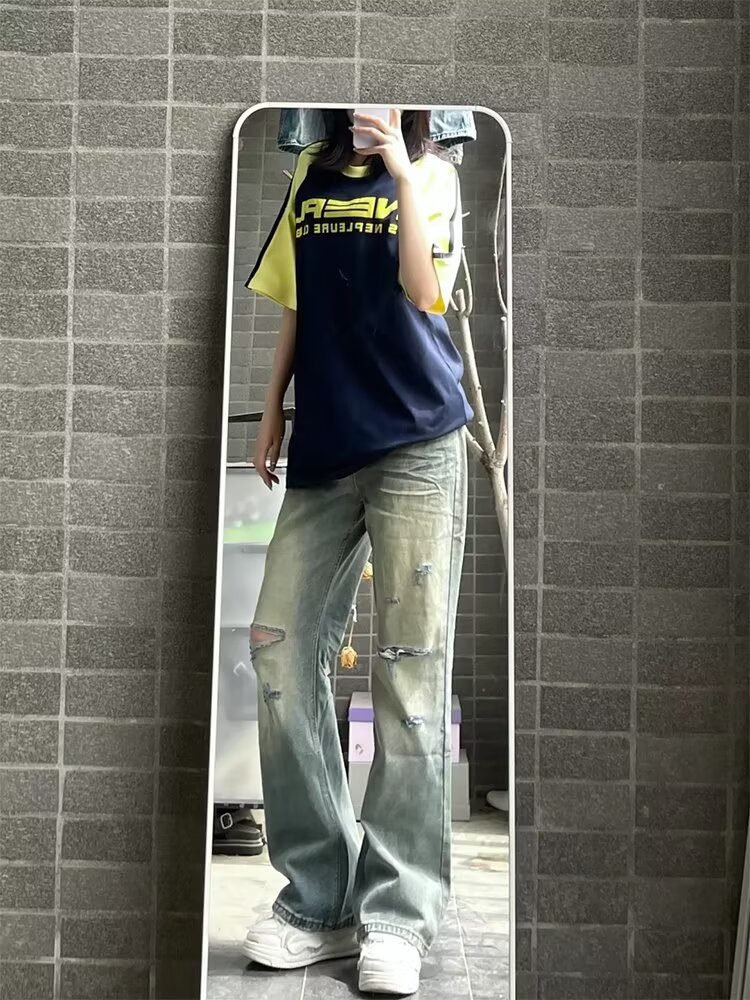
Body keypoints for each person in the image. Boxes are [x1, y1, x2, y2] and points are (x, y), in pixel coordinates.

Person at [241, 107, 472, 997]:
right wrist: (274, 407)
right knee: (279, 650)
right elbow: (298, 301)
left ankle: (400, 914)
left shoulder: (435, 173)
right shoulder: (309, 175)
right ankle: (319, 899)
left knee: (410, 675)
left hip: (418, 441)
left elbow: (425, 291)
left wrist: (404, 175)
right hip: (327, 443)